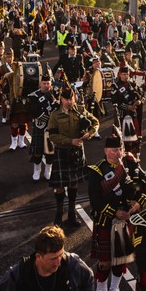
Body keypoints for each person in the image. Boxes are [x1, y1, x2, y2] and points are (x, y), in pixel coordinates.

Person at [87, 136, 146, 291]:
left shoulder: (129, 165)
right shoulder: (97, 171)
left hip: (126, 220)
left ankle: (114, 288)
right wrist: (115, 212)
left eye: (119, 150)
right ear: (105, 151)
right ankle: (101, 290)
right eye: (114, 150)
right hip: (106, 220)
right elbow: (95, 201)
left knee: (121, 258)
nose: (117, 153)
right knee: (105, 261)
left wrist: (139, 203)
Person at [47, 87, 101, 227]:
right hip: (62, 151)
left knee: (73, 183)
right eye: (67, 99)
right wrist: (70, 141)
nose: (70, 102)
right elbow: (52, 135)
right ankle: (59, 213)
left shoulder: (81, 110)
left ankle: (72, 213)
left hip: (76, 152)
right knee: (59, 186)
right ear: (61, 99)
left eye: (71, 99)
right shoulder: (55, 115)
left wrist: (89, 133)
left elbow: (95, 122)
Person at [26, 70, 60, 182]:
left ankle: (48, 170)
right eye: (44, 83)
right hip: (40, 126)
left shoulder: (55, 95)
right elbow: (34, 111)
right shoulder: (34, 96)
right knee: (38, 152)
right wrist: (48, 115)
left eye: (48, 83)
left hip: (52, 127)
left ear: (51, 84)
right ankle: (37, 170)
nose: (46, 85)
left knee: (50, 151)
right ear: (40, 84)